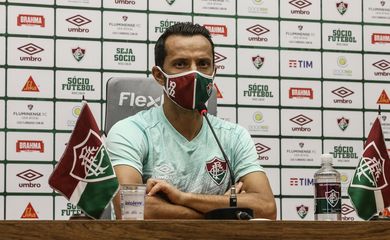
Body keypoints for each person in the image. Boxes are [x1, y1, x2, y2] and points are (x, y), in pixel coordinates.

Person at [106, 22, 276, 219]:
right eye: (181, 64)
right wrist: (225, 211)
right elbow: (131, 210)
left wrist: (181, 198)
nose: (194, 74)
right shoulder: (130, 131)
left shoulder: (234, 136)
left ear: (214, 72)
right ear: (159, 76)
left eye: (203, 64)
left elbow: (266, 207)